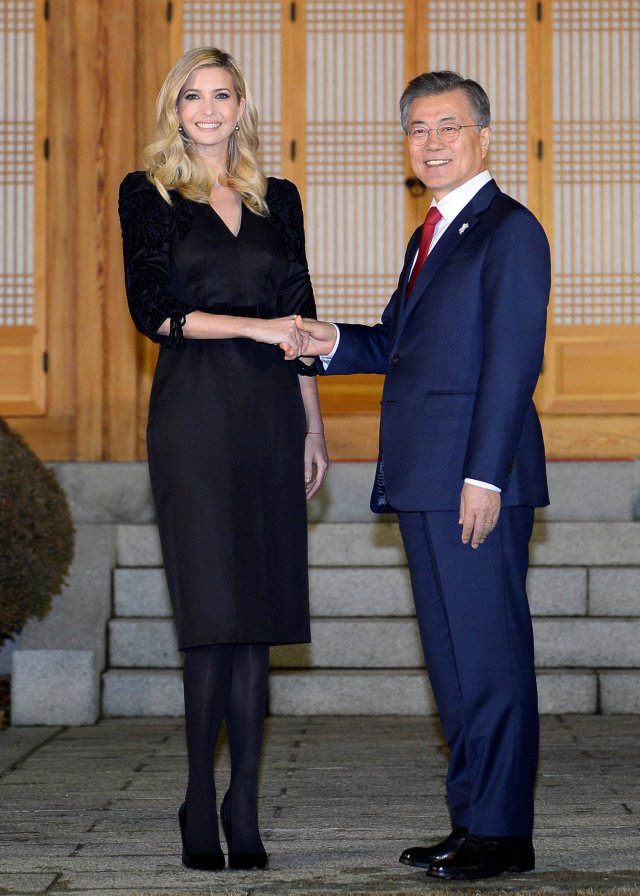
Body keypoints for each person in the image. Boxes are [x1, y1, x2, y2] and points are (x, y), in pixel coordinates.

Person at [294, 71, 550, 882]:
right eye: (416, 129)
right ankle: (472, 822)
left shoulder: (510, 230)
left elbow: (513, 364)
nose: (432, 142)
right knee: (453, 662)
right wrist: (322, 339)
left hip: (472, 482)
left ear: (484, 135)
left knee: (492, 658)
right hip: (422, 479)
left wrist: (487, 476)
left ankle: (506, 836)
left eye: (448, 126)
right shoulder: (431, 234)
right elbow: (393, 343)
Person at [118, 47, 329, 873]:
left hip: (273, 415)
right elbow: (155, 312)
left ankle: (244, 801)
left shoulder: (280, 200)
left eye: (222, 95)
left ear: (242, 105)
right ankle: (197, 803)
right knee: (212, 619)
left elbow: (300, 319)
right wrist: (257, 330)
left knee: (259, 618)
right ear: (175, 108)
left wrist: (312, 428)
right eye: (192, 96)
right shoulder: (151, 193)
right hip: (195, 415)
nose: (207, 109)